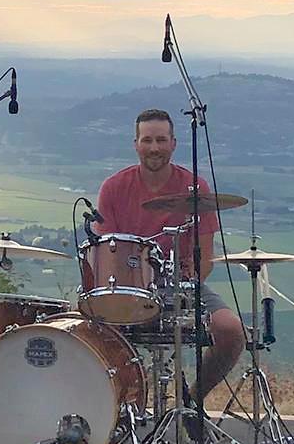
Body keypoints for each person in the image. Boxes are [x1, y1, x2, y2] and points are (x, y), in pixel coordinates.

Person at [92, 108, 245, 402]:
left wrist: (185, 287)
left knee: (231, 331)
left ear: (174, 143)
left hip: (180, 285)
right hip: (130, 286)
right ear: (135, 144)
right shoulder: (113, 188)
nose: (154, 148)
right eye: (147, 140)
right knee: (94, 335)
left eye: (161, 140)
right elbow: (107, 254)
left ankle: (191, 403)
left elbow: (205, 259)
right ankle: (120, 413)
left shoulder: (194, 188)